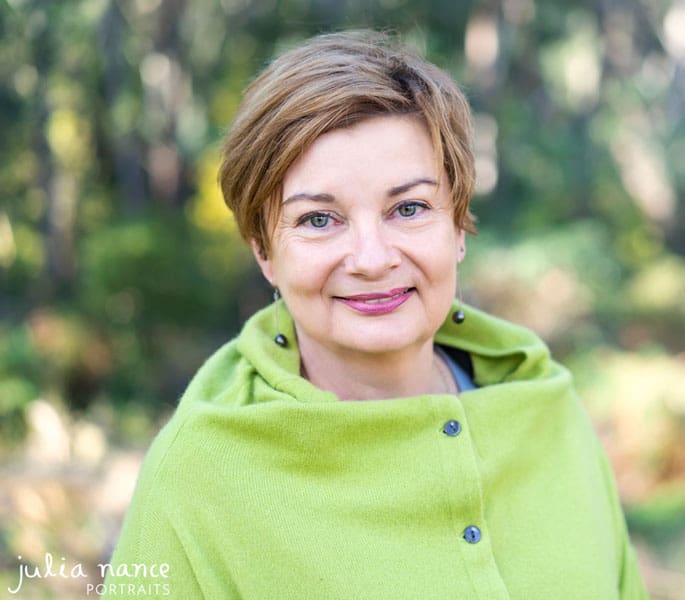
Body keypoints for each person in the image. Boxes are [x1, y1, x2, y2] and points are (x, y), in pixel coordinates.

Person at [104, 30, 648, 599]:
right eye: (318, 219)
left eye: (408, 208)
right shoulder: (198, 473)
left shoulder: (551, 413)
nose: (371, 259)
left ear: (459, 225)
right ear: (264, 250)